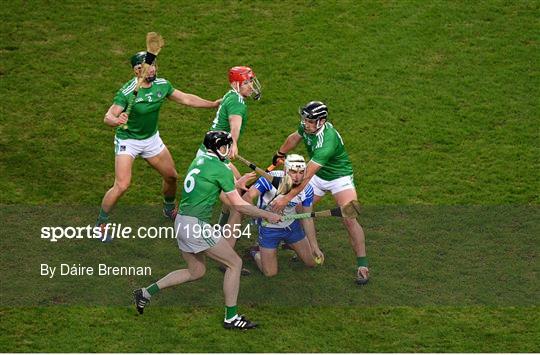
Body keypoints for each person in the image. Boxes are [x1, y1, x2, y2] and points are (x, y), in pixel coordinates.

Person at [133, 131, 281, 330]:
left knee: (196, 271)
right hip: (197, 227)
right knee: (234, 264)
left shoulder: (200, 160)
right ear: (219, 148)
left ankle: (145, 292)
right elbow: (238, 205)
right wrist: (267, 215)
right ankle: (231, 317)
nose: (229, 150)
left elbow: (208, 185)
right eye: (226, 146)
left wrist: (236, 183)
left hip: (182, 223)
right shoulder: (221, 169)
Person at [96, 51, 220, 241]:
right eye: (148, 66)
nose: (153, 69)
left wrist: (211, 104)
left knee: (171, 176)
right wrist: (116, 120)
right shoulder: (127, 92)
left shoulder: (162, 85)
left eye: (154, 65)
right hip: (128, 142)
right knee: (122, 185)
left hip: (151, 139)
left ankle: (169, 208)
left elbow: (186, 98)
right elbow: (108, 116)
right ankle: (101, 224)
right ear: (137, 70)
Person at [269, 101, 369, 285]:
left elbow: (305, 177)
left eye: (310, 120)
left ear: (321, 121)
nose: (305, 123)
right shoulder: (308, 126)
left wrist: (285, 198)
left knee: (349, 217)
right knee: (299, 208)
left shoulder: (327, 142)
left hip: (339, 178)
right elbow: (294, 137)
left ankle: (362, 265)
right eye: (305, 118)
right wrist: (280, 152)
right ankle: (305, 248)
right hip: (318, 175)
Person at [243, 154, 324, 276]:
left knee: (312, 263)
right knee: (270, 273)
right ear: (285, 170)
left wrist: (315, 247)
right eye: (293, 172)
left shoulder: (307, 189)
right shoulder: (269, 179)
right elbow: (247, 197)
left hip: (292, 227)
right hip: (269, 228)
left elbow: (307, 218)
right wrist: (260, 215)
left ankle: (290, 242)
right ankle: (255, 252)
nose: (297, 177)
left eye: (301, 172)